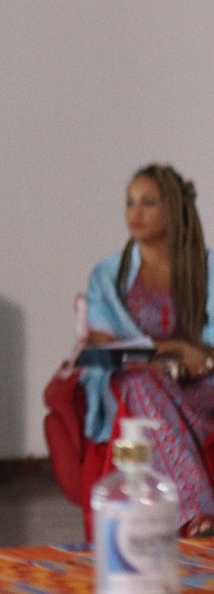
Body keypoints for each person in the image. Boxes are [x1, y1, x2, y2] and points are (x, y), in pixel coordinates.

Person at [80, 165, 214, 537]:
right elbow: (103, 345)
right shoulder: (110, 274)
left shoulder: (207, 267)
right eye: (130, 203)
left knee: (145, 386)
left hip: (201, 385)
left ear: (172, 209)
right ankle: (199, 509)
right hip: (142, 384)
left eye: (148, 203)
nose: (134, 213)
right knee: (138, 383)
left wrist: (197, 359)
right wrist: (172, 350)